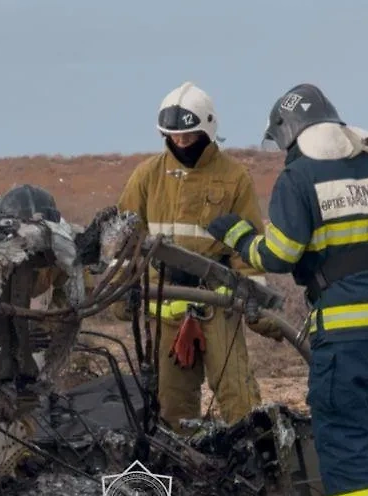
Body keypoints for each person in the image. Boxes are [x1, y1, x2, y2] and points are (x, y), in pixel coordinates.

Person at [207, 83, 368, 496]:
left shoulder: (299, 177)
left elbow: (280, 253)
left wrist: (238, 236)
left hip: (347, 326)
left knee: (340, 422)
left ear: (289, 134)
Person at [116, 81, 279, 433]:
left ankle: (255, 471)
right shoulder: (147, 177)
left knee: (240, 402)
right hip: (164, 310)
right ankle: (187, 478)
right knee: (171, 411)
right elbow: (125, 240)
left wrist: (257, 308)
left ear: (207, 129)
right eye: (174, 137)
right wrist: (120, 291)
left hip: (217, 306)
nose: (182, 143)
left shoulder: (234, 177)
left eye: (189, 136)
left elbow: (247, 247)